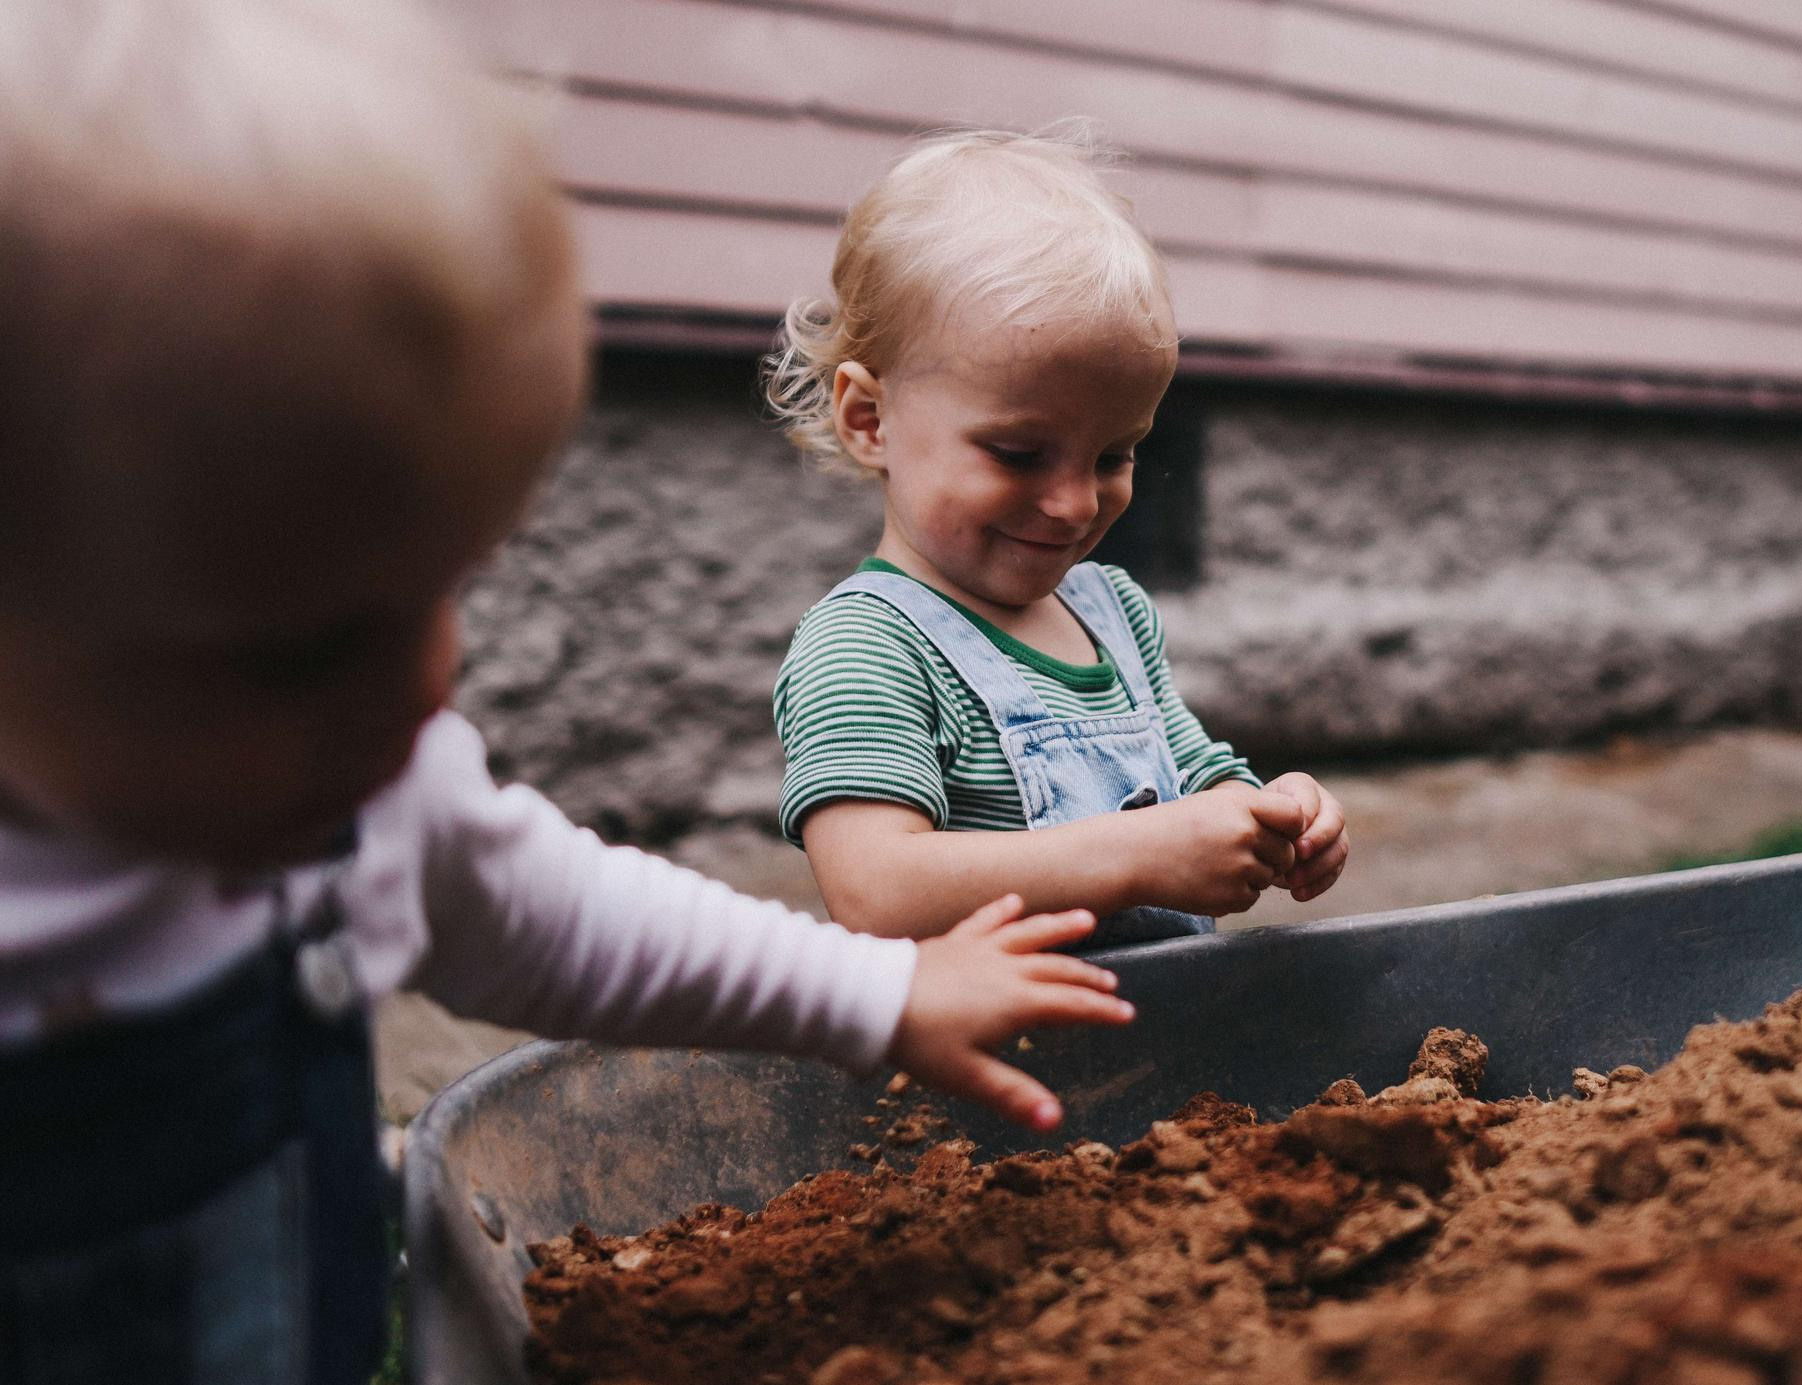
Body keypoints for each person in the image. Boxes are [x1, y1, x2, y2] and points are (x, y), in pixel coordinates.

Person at [0, 6, 1134, 1381]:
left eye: (445, 589)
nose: (430, 683)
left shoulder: (363, 793)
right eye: (304, 649)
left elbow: (568, 915)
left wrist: (877, 998)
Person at [768, 128, 1351, 946]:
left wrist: (1271, 812)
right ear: (870, 420)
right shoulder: (866, 646)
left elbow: (1192, 779)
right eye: (1019, 453)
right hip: (997, 1068)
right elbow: (875, 891)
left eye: (1113, 454)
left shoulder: (1111, 612)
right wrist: (1132, 857)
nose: (1075, 505)